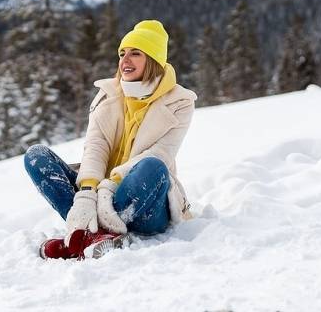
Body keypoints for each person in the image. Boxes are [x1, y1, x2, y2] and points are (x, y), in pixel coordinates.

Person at [24, 19, 197, 259]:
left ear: (154, 60)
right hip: (96, 196)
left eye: (135, 53)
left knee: (153, 166)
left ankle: (87, 236)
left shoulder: (180, 102)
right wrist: (87, 192)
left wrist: (110, 185)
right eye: (122, 53)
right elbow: (97, 146)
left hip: (143, 201)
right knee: (36, 157)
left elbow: (160, 153)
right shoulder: (108, 94)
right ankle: (87, 233)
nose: (125, 61)